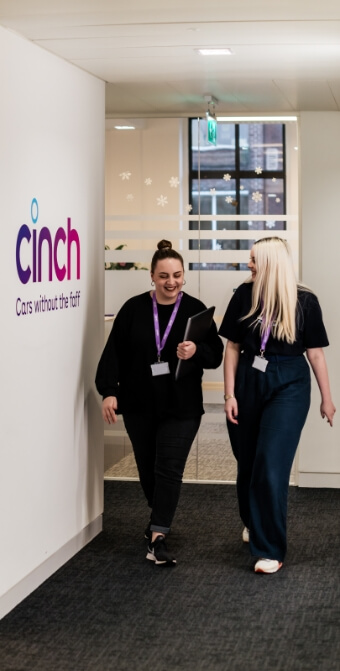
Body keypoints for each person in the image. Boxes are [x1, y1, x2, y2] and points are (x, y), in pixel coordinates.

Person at [96, 239, 223, 566]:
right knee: (148, 469)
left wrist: (196, 351)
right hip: (139, 405)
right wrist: (109, 391)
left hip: (181, 407)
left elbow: (216, 355)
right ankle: (159, 517)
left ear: (184, 275)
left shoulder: (196, 309)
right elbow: (114, 354)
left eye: (177, 275)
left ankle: (158, 537)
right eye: (164, 276)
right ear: (152, 276)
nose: (171, 282)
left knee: (169, 467)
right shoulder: (133, 309)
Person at [219, 237, 335, 574]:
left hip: (289, 383)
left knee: (270, 463)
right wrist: (229, 394)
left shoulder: (304, 300)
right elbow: (232, 347)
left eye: (254, 259)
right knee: (248, 462)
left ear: (270, 261)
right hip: (248, 379)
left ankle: (270, 549)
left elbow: (315, 353)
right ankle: (255, 521)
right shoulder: (244, 294)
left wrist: (327, 398)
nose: (249, 264)